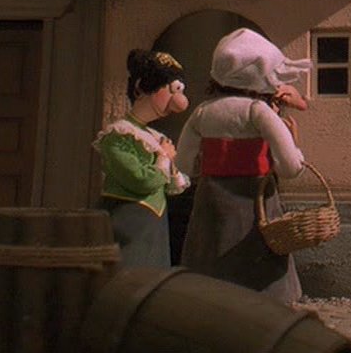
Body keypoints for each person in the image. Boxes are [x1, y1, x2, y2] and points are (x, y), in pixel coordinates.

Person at [175, 28, 313, 305]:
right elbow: (289, 166)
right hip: (256, 199)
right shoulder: (257, 111)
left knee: (210, 258)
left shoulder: (203, 112)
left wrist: (200, 169)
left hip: (211, 200)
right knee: (258, 268)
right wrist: (296, 152)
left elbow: (183, 162)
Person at [92, 49, 191, 268]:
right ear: (140, 88)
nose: (178, 100)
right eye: (171, 89)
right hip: (128, 221)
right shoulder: (118, 135)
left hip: (154, 225)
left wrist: (169, 164)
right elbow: (141, 180)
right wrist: (164, 158)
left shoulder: (155, 137)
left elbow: (173, 186)